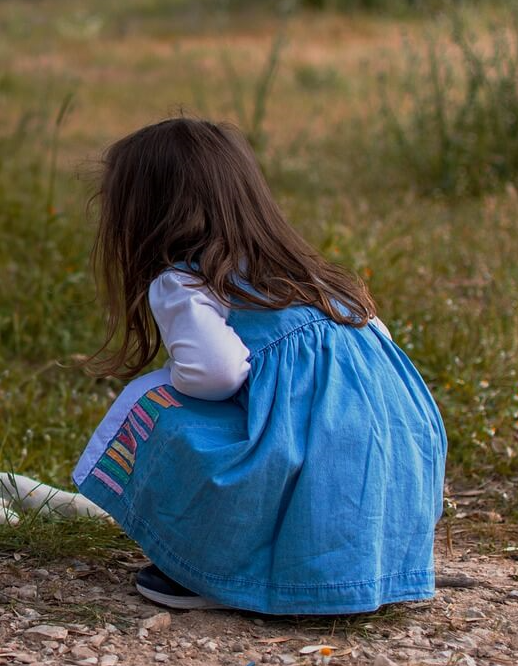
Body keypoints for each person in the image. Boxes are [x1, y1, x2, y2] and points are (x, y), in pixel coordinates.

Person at [72, 117, 447, 615]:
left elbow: (216, 373)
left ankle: (214, 570)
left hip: (312, 462)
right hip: (397, 459)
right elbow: (379, 354)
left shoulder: (186, 281)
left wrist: (176, 381)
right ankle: (360, 565)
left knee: (154, 404)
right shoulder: (313, 276)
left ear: (146, 215)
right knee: (308, 431)